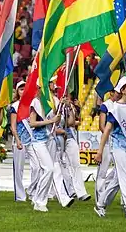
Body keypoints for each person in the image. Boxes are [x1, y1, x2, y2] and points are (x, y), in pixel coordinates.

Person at [95, 77, 126, 219]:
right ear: (122, 90)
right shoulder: (115, 109)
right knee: (125, 177)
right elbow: (107, 130)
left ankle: (100, 203)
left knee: (117, 180)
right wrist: (100, 151)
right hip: (118, 147)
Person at [29, 78, 75, 212]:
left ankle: (40, 199)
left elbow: (59, 119)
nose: (53, 85)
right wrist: (50, 121)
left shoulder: (54, 100)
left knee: (53, 168)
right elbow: (32, 123)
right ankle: (39, 200)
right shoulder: (35, 102)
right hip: (38, 141)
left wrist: (65, 106)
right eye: (51, 83)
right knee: (48, 168)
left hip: (50, 139)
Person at [9, 82, 38, 202]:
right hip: (19, 141)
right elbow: (13, 125)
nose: (23, 91)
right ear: (17, 92)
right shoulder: (15, 106)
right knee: (18, 170)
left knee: (37, 166)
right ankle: (20, 196)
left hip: (32, 140)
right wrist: (17, 139)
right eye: (20, 89)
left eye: (24, 89)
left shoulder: (33, 104)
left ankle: (32, 191)